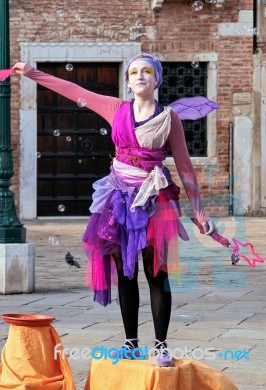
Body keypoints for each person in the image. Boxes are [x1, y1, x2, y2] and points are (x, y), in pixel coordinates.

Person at [13, 54, 216, 367]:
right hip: (118, 199)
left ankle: (160, 345)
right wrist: (33, 73)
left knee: (157, 274)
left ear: (157, 78)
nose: (140, 76)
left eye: (147, 71)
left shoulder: (168, 118)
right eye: (134, 72)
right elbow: (72, 90)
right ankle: (131, 343)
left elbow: (186, 169)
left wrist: (200, 213)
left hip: (155, 201)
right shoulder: (115, 108)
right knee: (126, 273)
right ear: (128, 80)